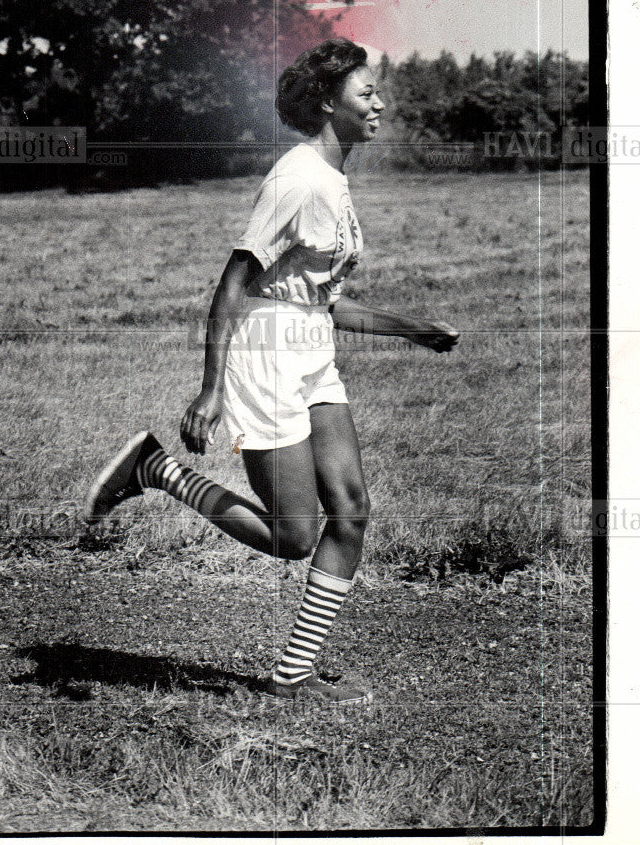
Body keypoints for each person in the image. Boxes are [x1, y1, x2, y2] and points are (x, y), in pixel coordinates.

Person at [85, 38, 459, 705]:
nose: (381, 102)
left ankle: (294, 676)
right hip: (267, 358)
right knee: (293, 537)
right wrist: (209, 388)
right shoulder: (295, 180)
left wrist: (413, 331)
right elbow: (233, 286)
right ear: (327, 104)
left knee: (352, 513)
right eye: (366, 93)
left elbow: (322, 300)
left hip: (313, 351)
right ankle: (158, 469)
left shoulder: (334, 181)